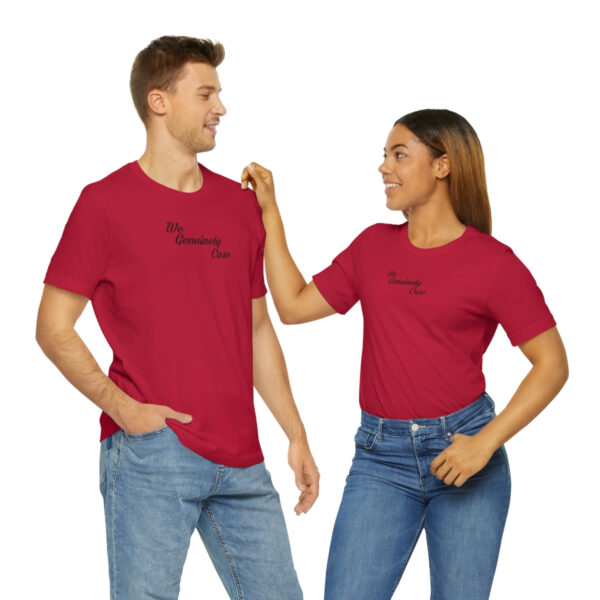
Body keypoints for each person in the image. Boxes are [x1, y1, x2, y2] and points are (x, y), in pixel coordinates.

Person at [241, 108, 568, 600]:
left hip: (465, 454)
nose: (384, 168)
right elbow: (292, 305)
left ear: (442, 166)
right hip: (381, 459)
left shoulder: (494, 263)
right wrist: (269, 211)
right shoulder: (374, 247)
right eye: (384, 156)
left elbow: (553, 364)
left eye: (399, 155)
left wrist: (483, 445)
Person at [35, 35, 318, 600]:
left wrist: (295, 431)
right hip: (151, 452)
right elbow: (52, 326)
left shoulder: (239, 207)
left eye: (220, 94)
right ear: (159, 102)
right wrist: (124, 409)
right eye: (206, 93)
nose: (221, 108)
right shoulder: (104, 203)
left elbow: (257, 326)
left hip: (242, 456)